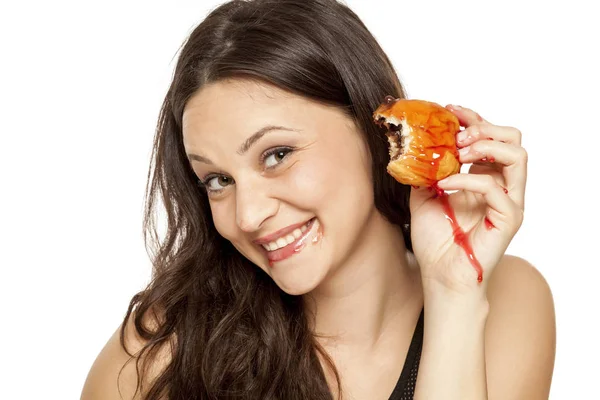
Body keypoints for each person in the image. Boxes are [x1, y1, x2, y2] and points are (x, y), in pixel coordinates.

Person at [81, 0, 556, 399]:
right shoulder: (158, 352)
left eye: (277, 154)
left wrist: (454, 294)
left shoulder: (505, 299)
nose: (248, 216)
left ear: (377, 131)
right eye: (217, 180)